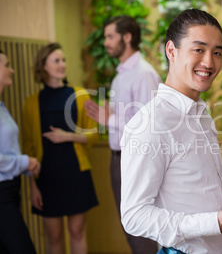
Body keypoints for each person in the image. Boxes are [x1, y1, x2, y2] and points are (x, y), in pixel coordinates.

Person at [120, 8, 222, 254]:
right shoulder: (150, 124)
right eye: (199, 49)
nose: (209, 62)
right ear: (171, 51)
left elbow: (209, 184)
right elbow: (134, 216)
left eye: (217, 52)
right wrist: (214, 222)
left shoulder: (202, 115)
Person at [84, 15, 161, 253]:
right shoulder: (120, 75)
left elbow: (150, 128)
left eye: (110, 36)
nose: (105, 42)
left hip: (136, 160)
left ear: (127, 38)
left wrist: (110, 119)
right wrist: (111, 119)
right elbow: (129, 120)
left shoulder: (143, 74)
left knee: (139, 230)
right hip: (118, 160)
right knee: (130, 229)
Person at [22, 43, 99, 254]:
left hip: (75, 173)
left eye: (63, 60)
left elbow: (93, 134)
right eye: (56, 61)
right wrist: (33, 187)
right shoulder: (31, 103)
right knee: (53, 236)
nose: (62, 64)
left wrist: (67, 137)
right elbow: (28, 148)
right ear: (43, 66)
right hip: (46, 177)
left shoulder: (80, 95)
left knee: (77, 232)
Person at [0, 49, 40, 253]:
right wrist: (25, 162)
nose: (12, 70)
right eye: (6, 65)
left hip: (10, 189)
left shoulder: (2, 106)